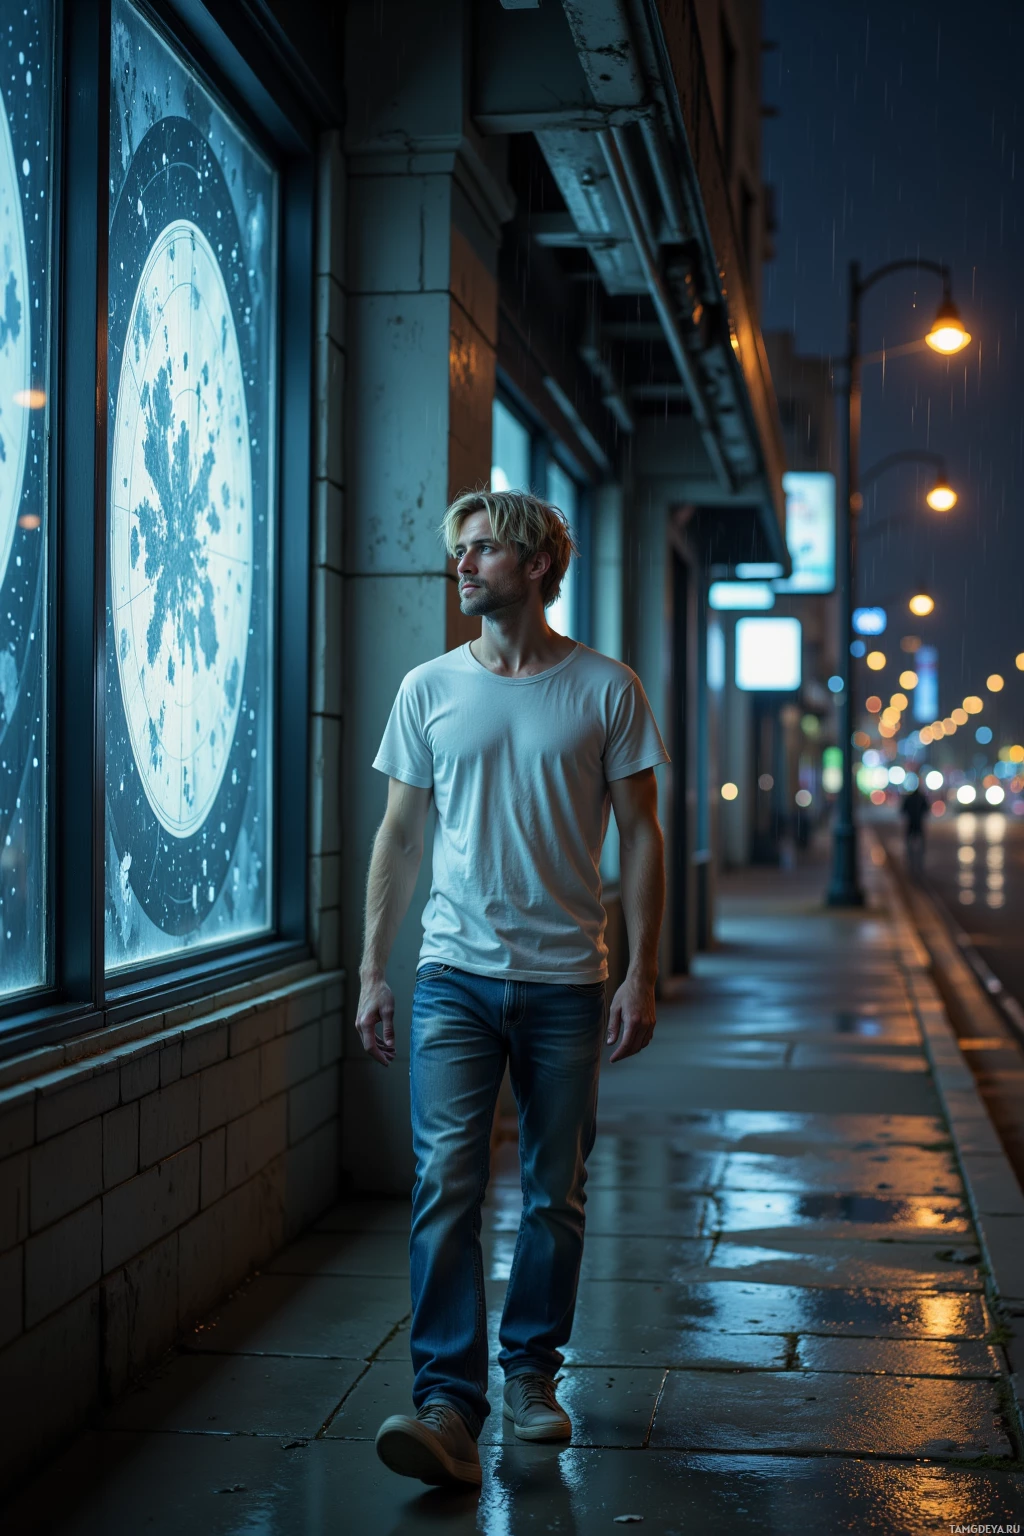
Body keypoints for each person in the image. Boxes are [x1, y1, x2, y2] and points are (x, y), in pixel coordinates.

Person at [355, 489, 670, 1489]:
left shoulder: (604, 688)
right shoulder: (427, 687)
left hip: (569, 983)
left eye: (481, 550)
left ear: (535, 565)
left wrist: (640, 971)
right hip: (451, 977)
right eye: (458, 551)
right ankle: (447, 1402)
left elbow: (645, 834)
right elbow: (400, 837)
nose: (461, 566)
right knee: (446, 1183)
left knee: (554, 1194)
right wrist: (373, 966)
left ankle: (532, 1374)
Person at [901, 781, 929, 878]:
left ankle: (911, 862)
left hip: (911, 823)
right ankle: (918, 863)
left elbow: (902, 810)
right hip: (918, 824)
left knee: (910, 843)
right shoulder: (921, 798)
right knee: (920, 844)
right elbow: (926, 809)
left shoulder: (908, 798)